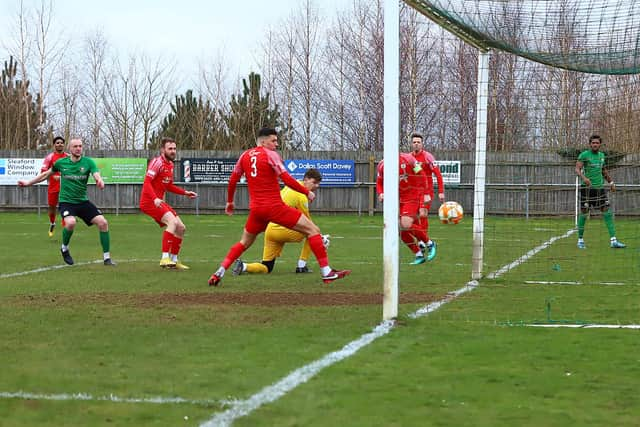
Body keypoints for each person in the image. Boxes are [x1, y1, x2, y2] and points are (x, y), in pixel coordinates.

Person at [208, 127, 350, 286]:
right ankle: (326, 273)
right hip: (274, 207)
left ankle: (218, 273)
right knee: (313, 230)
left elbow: (233, 180)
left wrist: (230, 202)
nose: (276, 144)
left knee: (243, 243)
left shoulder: (244, 156)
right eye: (273, 140)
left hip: (256, 210)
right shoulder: (271, 155)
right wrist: (306, 192)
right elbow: (287, 179)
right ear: (263, 141)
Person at [18, 138, 115, 265]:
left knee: (103, 223)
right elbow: (45, 175)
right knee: (70, 223)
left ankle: (107, 258)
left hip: (83, 202)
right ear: (70, 148)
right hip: (67, 202)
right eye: (75, 146)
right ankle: (64, 248)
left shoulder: (88, 162)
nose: (78, 148)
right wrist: (28, 183)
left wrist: (100, 181)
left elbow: (96, 174)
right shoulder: (61, 163)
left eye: (80, 146)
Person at [232, 168, 328, 275]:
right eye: (314, 182)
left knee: (267, 267)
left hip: (270, 230)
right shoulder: (301, 196)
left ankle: (244, 266)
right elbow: (308, 223)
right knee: (314, 231)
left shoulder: (294, 184)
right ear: (305, 179)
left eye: (318, 184)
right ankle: (301, 266)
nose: (316, 186)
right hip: (281, 229)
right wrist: (320, 238)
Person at [140, 137, 198, 270]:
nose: (173, 151)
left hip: (158, 201)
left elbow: (169, 186)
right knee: (173, 223)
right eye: (170, 149)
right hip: (149, 201)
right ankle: (164, 258)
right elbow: (147, 182)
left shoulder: (170, 165)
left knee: (181, 228)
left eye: (174, 148)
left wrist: (185, 192)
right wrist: (154, 198)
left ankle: (174, 260)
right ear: (162, 150)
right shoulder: (157, 163)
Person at [376, 152, 431, 264]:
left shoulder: (409, 160)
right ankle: (418, 254)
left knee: (405, 224)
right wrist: (381, 193)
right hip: (396, 199)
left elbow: (422, 174)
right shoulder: (382, 165)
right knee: (396, 229)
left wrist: (425, 193)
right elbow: (379, 182)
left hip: (412, 196)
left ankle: (429, 242)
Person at [575, 134, 625, 249]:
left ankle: (613, 241)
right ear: (590, 144)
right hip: (587, 190)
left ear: (600, 144)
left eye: (597, 143)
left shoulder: (602, 156)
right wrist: (584, 178)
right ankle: (580, 241)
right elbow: (577, 168)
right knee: (584, 213)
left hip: (600, 189)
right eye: (593, 143)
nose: (595, 145)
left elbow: (603, 170)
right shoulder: (584, 155)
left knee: (607, 211)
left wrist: (611, 182)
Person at [410, 132, 444, 261]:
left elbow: (438, 174)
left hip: (426, 192)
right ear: (411, 144)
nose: (416, 144)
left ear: (422, 144)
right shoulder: (409, 158)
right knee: (413, 217)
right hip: (413, 192)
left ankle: (424, 240)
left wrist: (441, 191)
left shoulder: (428, 157)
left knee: (423, 214)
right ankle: (421, 240)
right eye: (414, 142)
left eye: (418, 142)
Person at [41, 136, 69, 237]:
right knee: (52, 207)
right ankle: (52, 223)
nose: (60, 144)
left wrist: (62, 176)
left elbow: (73, 170)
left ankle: (65, 225)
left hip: (66, 188)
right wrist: (54, 175)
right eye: (57, 143)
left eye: (61, 143)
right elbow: (43, 172)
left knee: (65, 206)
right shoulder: (49, 157)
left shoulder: (68, 157)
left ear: (64, 144)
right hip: (53, 187)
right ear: (54, 145)